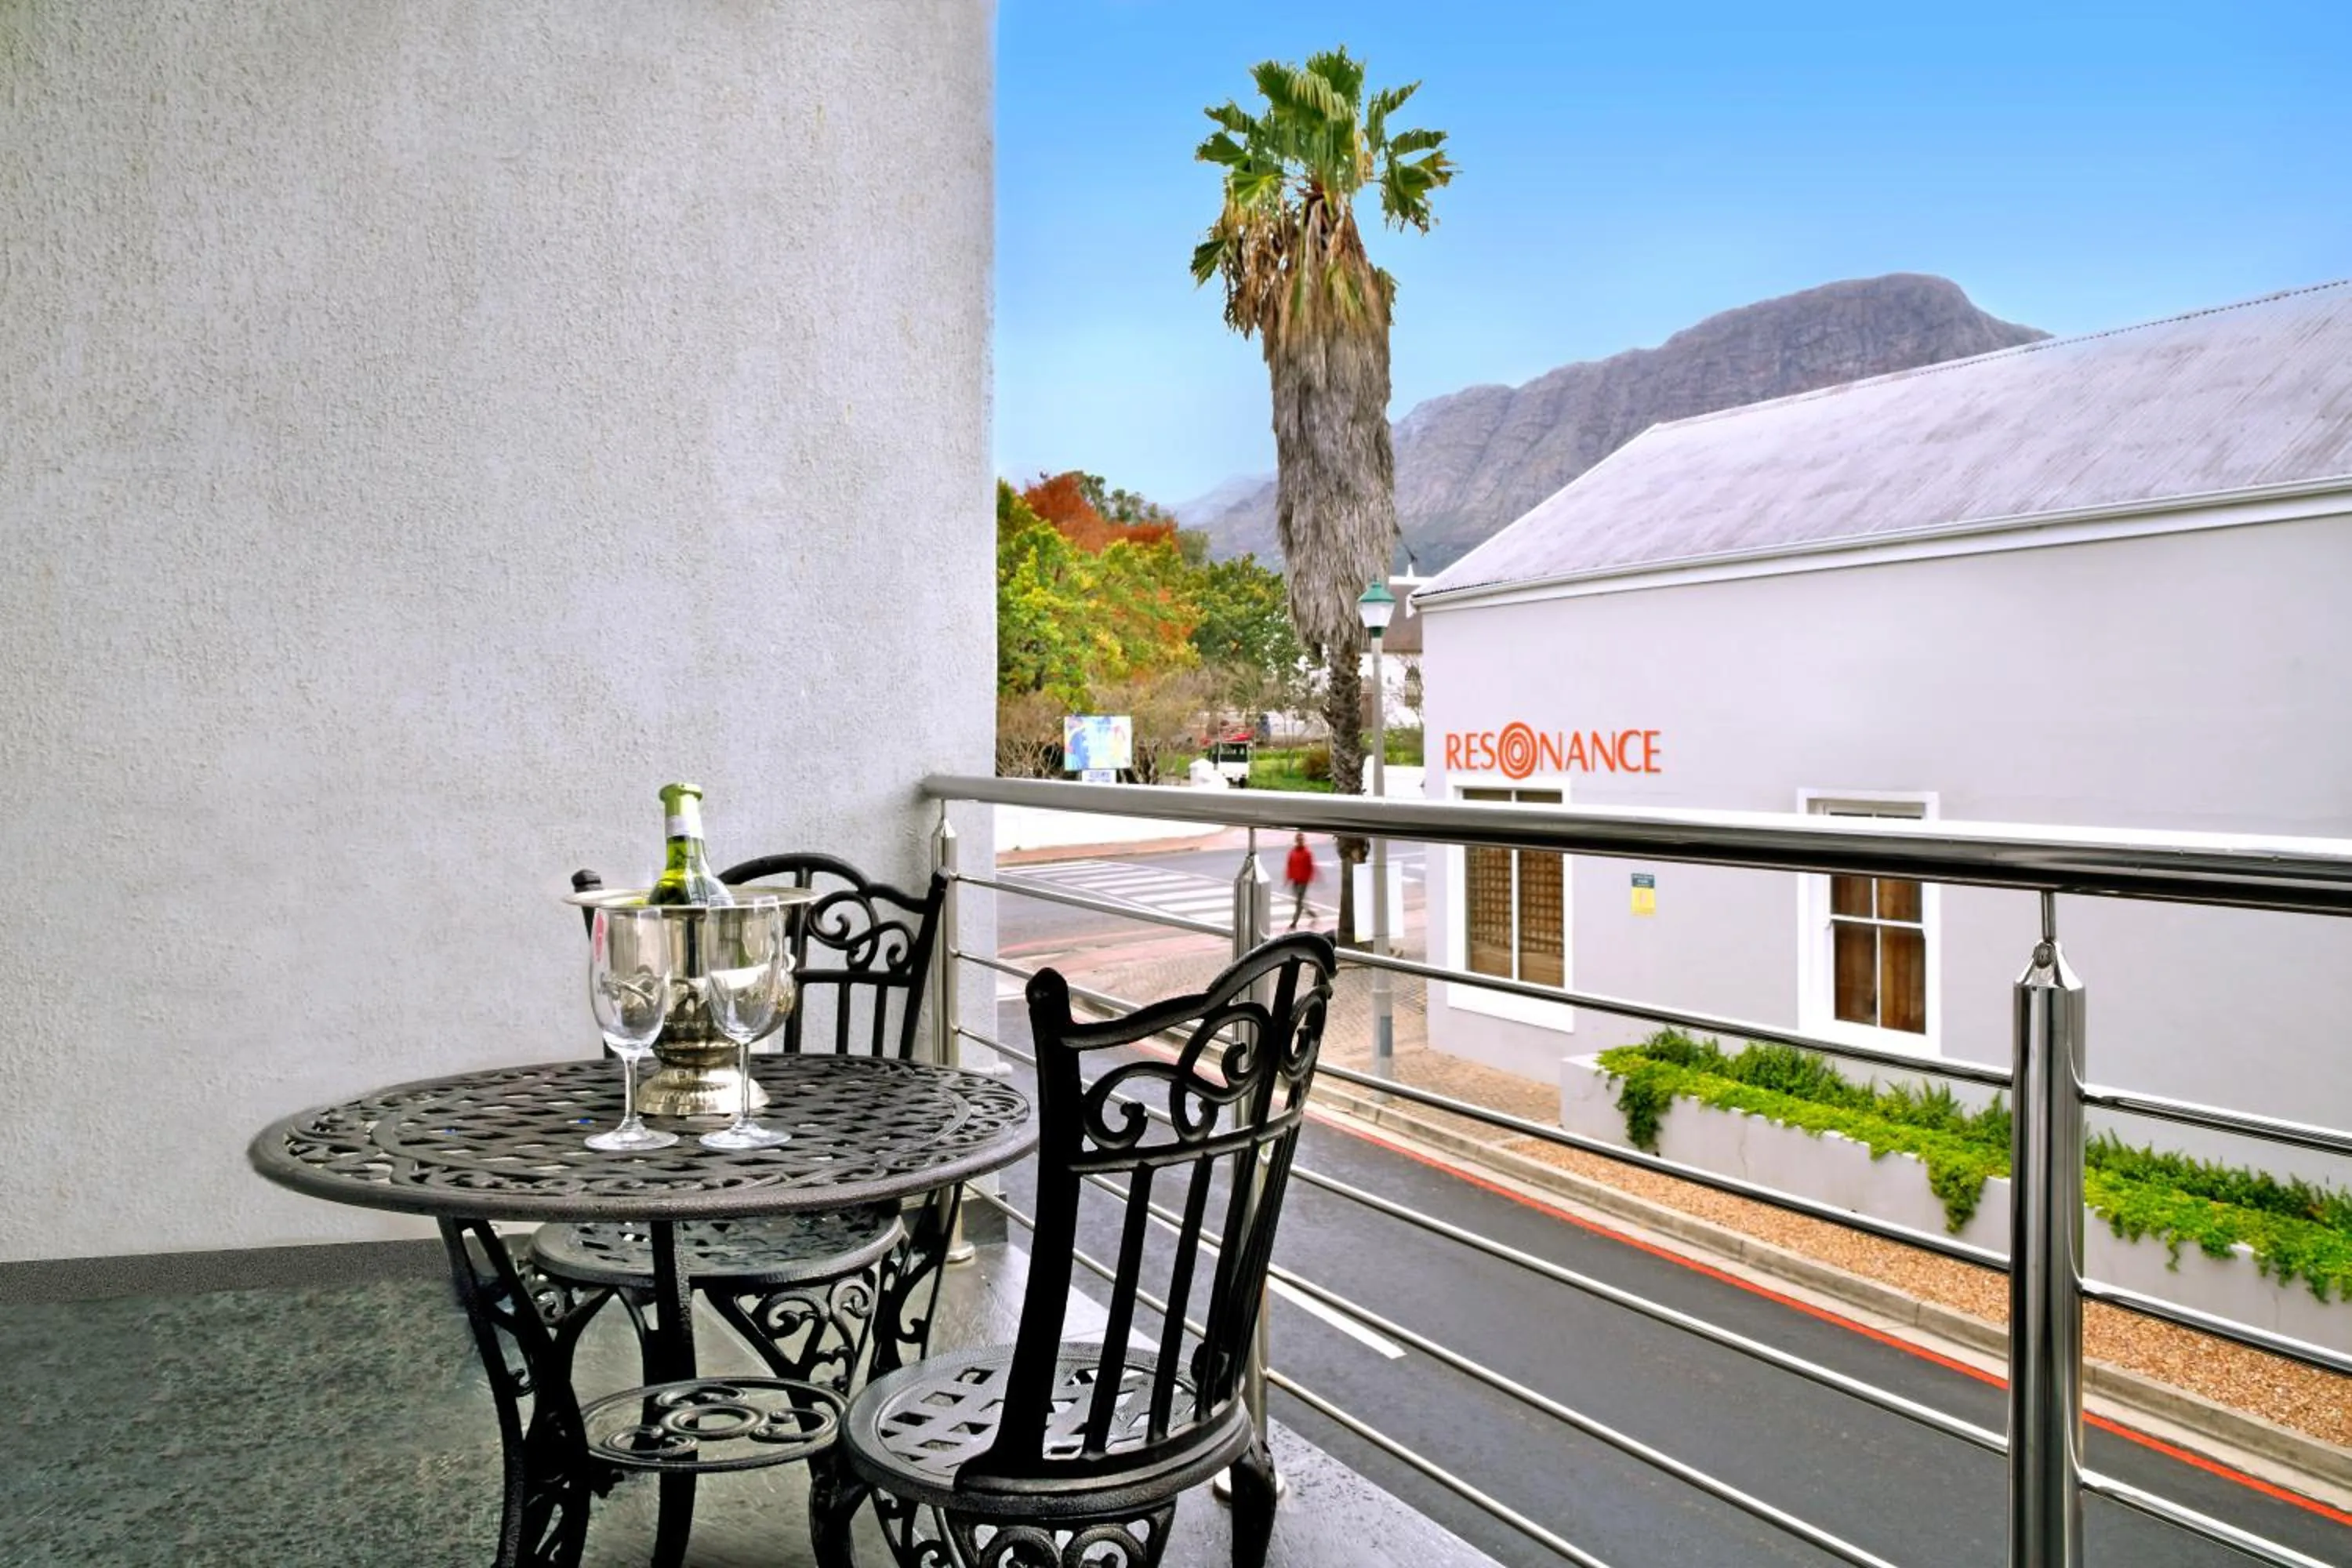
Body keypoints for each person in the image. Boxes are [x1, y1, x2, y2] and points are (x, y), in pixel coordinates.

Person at [1283, 832, 1316, 930]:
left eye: (1302, 840)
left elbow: (1311, 867)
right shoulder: (1292, 852)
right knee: (1299, 901)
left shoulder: (1307, 853)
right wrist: (1288, 878)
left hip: (1303, 881)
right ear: (1296, 841)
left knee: (1298, 902)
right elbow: (1289, 865)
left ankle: (1294, 922)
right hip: (1295, 880)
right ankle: (1311, 913)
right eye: (1298, 840)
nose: (1300, 841)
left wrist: (1309, 878)